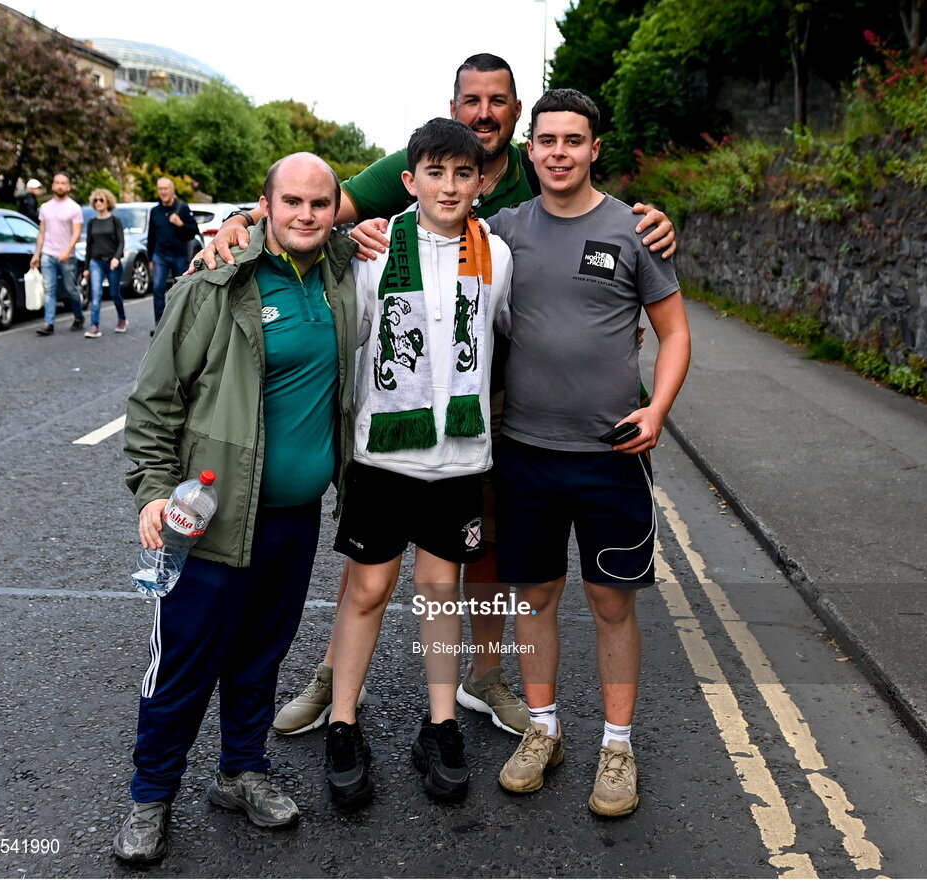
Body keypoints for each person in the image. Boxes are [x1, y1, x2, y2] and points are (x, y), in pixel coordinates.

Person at [194, 54, 678, 741]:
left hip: (500, 405)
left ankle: (481, 675)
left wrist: (643, 225)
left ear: (515, 118)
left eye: (499, 101)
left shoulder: (529, 178)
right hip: (408, 403)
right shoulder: (417, 162)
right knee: (372, 571)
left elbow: (580, 241)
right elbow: (323, 205)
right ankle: (336, 678)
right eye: (472, 100)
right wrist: (246, 218)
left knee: (477, 552)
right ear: (452, 112)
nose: (484, 112)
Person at [114, 153, 358, 865]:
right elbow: (155, 400)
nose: (306, 215)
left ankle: (241, 772)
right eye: (291, 202)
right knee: (185, 661)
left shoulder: (342, 273)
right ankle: (150, 795)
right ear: (266, 205)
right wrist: (154, 490)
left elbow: (425, 176)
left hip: (294, 516)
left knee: (261, 654)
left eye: (320, 203)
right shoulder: (214, 284)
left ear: (334, 209)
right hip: (211, 518)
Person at [483, 89, 690, 817]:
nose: (560, 152)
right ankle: (543, 730)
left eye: (574, 139)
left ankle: (617, 744)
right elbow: (430, 231)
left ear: (594, 147)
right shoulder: (504, 230)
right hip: (526, 454)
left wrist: (658, 408)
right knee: (536, 597)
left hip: (611, 454)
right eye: (547, 141)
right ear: (529, 150)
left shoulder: (635, 229)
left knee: (611, 603)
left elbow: (675, 333)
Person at [323, 118, 512, 808]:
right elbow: (352, 343)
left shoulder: (496, 252)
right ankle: (342, 723)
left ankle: (441, 723)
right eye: (435, 172)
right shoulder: (373, 250)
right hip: (382, 457)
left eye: (464, 174)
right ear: (410, 181)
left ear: (481, 183)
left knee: (440, 589)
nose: (450, 186)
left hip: (459, 460)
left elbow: (508, 334)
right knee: (368, 591)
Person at [30, 172, 84, 335]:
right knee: (49, 289)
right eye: (57, 183)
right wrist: (36, 254)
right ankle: (48, 323)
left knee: (71, 289)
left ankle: (79, 316)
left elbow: (76, 233)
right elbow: (42, 232)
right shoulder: (45, 207)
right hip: (48, 253)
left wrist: (67, 251)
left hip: (67, 256)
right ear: (53, 186)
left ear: (68, 187)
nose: (60, 186)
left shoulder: (74, 208)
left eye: (63, 183)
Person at [147, 177, 199, 329]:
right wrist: (150, 258)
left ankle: (180, 322)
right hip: (160, 254)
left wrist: (181, 224)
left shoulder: (182, 208)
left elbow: (193, 231)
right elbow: (151, 236)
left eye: (165, 188)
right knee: (157, 288)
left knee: (180, 289)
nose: (163, 192)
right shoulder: (155, 211)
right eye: (160, 189)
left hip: (179, 254)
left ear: (172, 190)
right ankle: (159, 324)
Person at [82, 189, 128, 337]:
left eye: (101, 200)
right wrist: (86, 267)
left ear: (108, 202)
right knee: (96, 293)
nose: (98, 203)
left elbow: (121, 242)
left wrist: (116, 257)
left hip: (112, 262)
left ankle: (122, 319)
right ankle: (94, 326)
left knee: (115, 293)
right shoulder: (92, 222)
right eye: (95, 200)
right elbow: (89, 245)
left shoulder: (115, 221)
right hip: (96, 262)